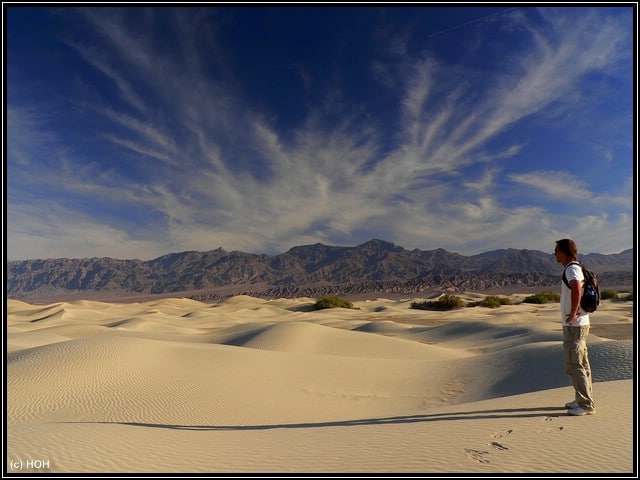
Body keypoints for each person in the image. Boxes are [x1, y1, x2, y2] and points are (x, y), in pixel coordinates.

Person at [554, 239, 596, 416]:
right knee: (581, 363)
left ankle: (586, 405)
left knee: (575, 363)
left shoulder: (571, 269)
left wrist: (572, 314)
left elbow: (577, 289)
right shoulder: (575, 268)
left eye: (556, 251)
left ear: (564, 252)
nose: (555, 254)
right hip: (579, 325)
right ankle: (582, 398)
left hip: (575, 326)